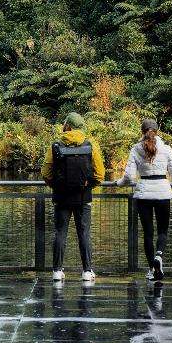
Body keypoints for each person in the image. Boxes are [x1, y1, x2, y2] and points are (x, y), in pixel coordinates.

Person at [116, 118, 172, 281]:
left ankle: (151, 270)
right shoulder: (165, 149)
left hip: (144, 194)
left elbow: (128, 176)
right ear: (157, 131)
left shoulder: (136, 148)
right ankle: (159, 255)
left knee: (148, 233)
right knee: (163, 231)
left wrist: (118, 183)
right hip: (163, 192)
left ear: (142, 131)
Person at [41, 112, 105, 282]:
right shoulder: (90, 145)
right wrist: (87, 186)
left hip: (61, 198)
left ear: (67, 126)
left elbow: (46, 173)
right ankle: (87, 271)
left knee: (60, 233)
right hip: (83, 198)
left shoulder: (55, 146)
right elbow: (99, 174)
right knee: (84, 233)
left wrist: (58, 186)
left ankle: (56, 271)